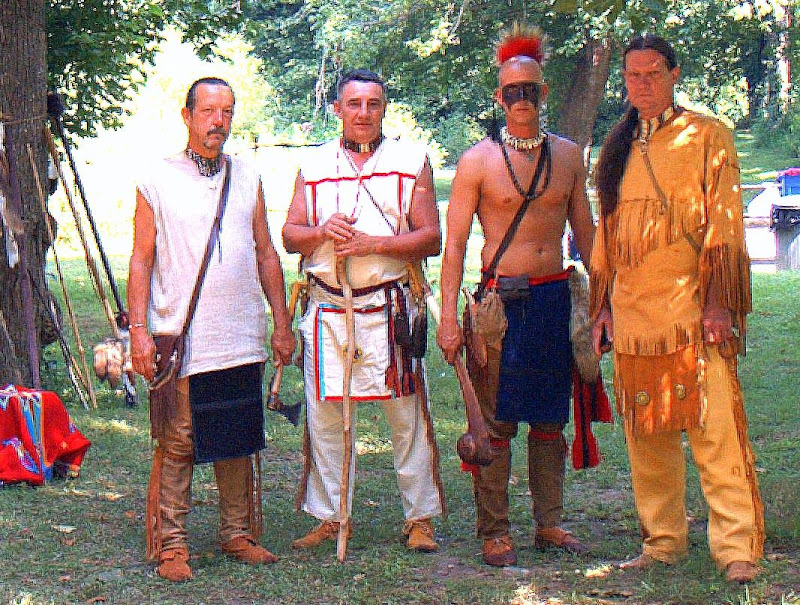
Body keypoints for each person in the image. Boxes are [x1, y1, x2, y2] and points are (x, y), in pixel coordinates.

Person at [591, 34, 764, 584]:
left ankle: (736, 547)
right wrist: (603, 310)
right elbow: (607, 236)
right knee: (647, 434)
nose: (642, 84)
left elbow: (725, 226)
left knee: (715, 433)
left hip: (693, 312)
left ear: (674, 75)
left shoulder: (708, 136)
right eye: (633, 75)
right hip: (634, 317)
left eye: (652, 74)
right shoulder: (616, 146)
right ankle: (662, 540)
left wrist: (718, 304)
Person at [437, 25, 596, 567]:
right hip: (498, 309)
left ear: (543, 93)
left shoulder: (568, 157)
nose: (521, 99)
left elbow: (587, 236)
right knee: (496, 423)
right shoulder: (477, 162)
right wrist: (448, 318)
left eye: (530, 89)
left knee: (550, 419)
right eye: (512, 91)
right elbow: (455, 247)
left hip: (554, 302)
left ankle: (549, 524)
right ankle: (495, 529)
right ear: (499, 97)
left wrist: (604, 304)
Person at [128, 77, 296, 582]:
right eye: (208, 111)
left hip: (240, 333)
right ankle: (171, 544)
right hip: (181, 337)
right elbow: (141, 259)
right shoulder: (156, 179)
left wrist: (281, 322)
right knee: (178, 440)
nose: (218, 121)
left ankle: (237, 533)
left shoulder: (248, 176)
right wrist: (139, 330)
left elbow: (266, 253)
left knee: (236, 435)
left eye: (226, 111)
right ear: (187, 116)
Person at [282, 69, 444, 553]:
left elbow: (431, 237)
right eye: (354, 103)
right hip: (329, 308)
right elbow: (290, 235)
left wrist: (376, 244)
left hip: (389, 307)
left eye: (373, 104)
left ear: (384, 109)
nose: (363, 113)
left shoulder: (410, 161)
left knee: (407, 414)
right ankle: (331, 516)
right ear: (337, 109)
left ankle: (419, 518)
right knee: (326, 417)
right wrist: (322, 232)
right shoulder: (313, 165)